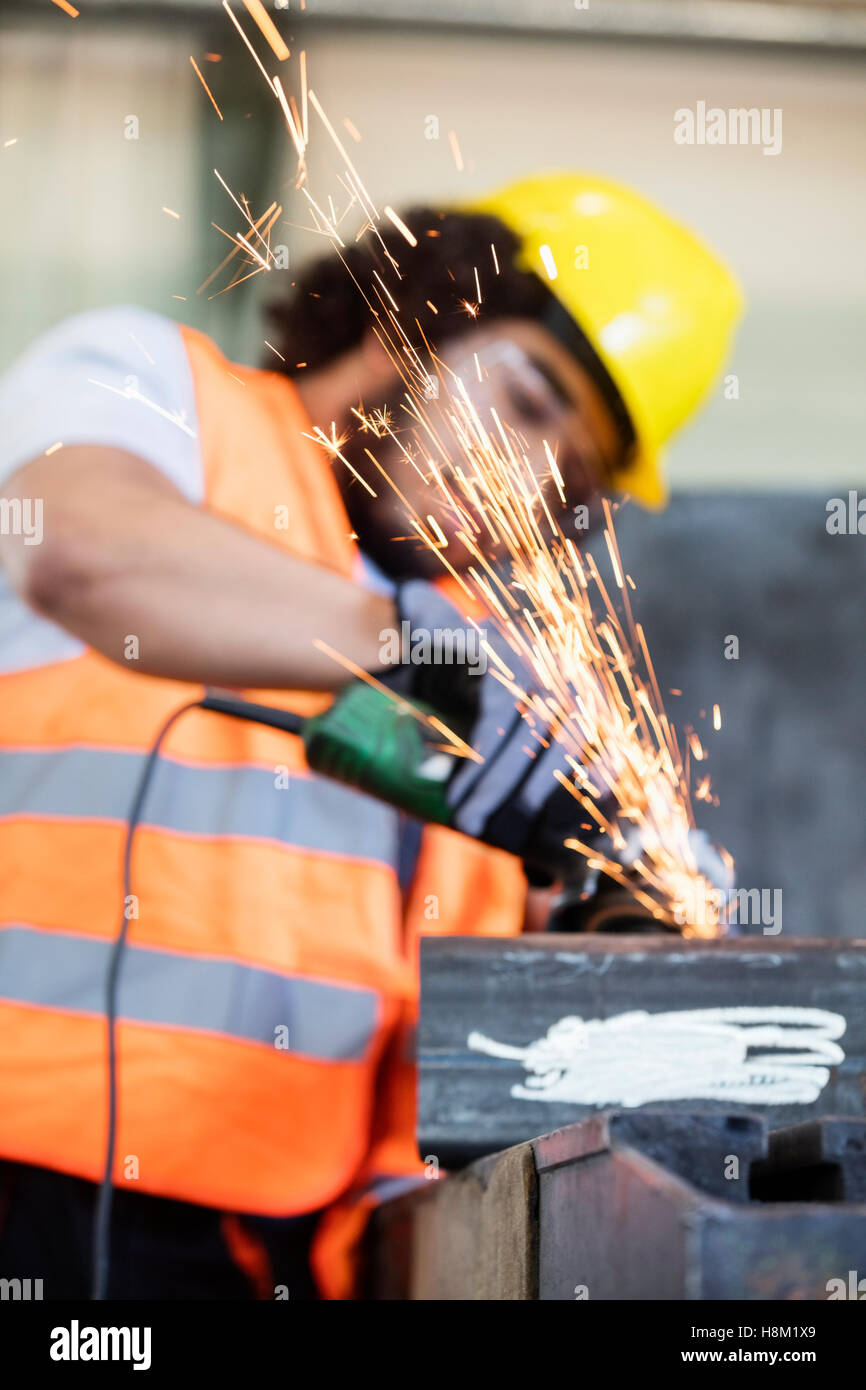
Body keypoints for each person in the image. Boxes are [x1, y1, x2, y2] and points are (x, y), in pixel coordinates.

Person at [0, 173, 742, 1299]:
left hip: (289, 1256)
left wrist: (619, 915)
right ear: (425, 312)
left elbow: (471, 1045)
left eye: (574, 478)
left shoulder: (497, 676)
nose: (529, 483)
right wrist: (408, 651)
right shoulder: (157, 395)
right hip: (34, 1195)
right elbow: (82, 548)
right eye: (531, 403)